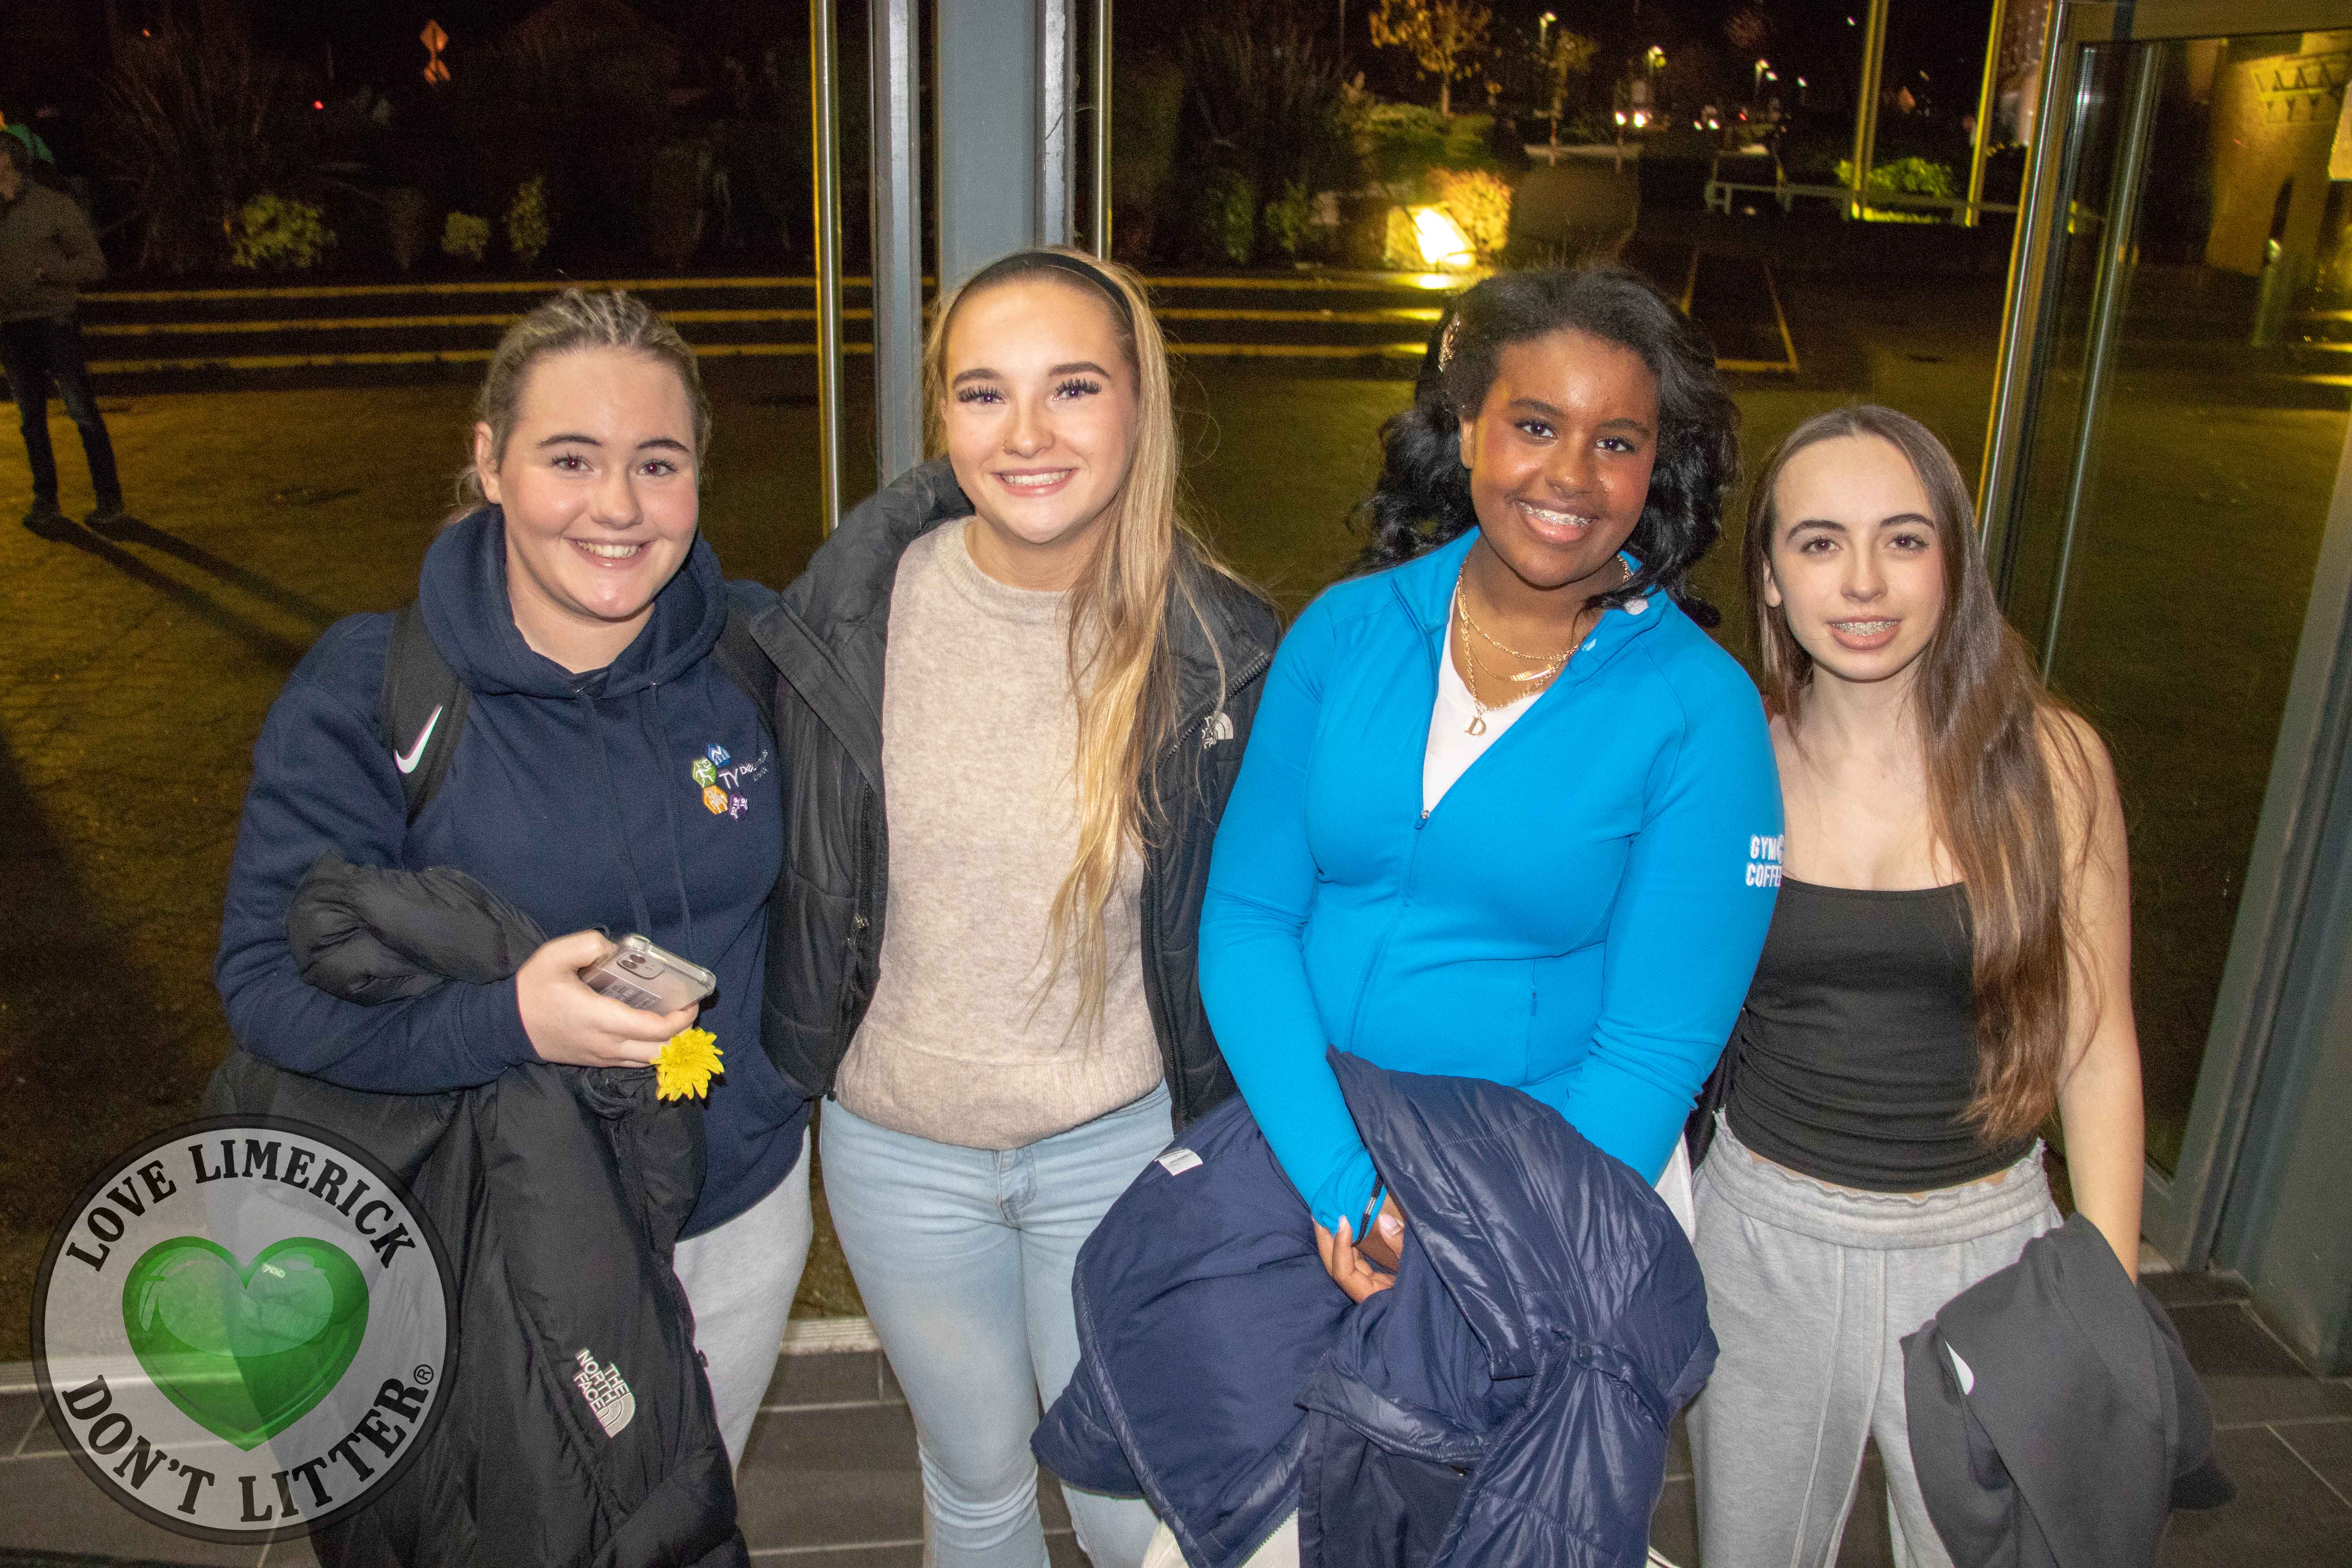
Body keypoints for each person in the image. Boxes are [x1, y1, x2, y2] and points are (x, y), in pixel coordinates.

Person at [214, 289, 811, 1473]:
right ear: (490, 461)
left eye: (657, 462)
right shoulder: (376, 690)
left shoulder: (756, 654)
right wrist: (510, 1022)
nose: (617, 505)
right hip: (494, 1227)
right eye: (570, 458)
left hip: (736, 1210)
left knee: (687, 1514)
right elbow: (266, 983)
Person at [755, 246, 1280, 1568]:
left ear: (1139, 405)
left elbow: (1280, 916)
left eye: (1073, 388)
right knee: (976, 1478)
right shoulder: (848, 620)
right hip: (895, 1150)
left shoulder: (1220, 654)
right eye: (984, 392)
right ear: (943, 415)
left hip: (1119, 1147)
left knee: (1130, 1500)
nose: (1027, 434)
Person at [1198, 264, 1781, 1301]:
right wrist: (1346, 1187)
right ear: (1469, 427)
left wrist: (1475, 1238)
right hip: (1307, 1162)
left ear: (1657, 466)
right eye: (1535, 426)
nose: (1571, 475)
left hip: (1547, 1218)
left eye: (1618, 443)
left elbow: (1652, 1053)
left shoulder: (1702, 713)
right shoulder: (1345, 632)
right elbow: (1248, 919)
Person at [1688, 405, 2143, 1568]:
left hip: (1988, 1252)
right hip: (1764, 1241)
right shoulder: (1730, 758)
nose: (1863, 581)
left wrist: (2105, 1298)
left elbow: (2096, 1050)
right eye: (1819, 542)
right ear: (1770, 578)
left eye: (1902, 539)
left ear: (1952, 563)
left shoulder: (2051, 766)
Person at [0, 130, 122, 532]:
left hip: (55, 321)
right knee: (31, 420)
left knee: (82, 412)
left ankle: (109, 500)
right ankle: (46, 501)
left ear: (10, 162)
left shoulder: (53, 206)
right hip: (11, 327)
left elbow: (95, 264)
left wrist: (54, 272)